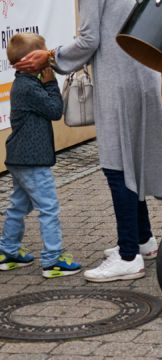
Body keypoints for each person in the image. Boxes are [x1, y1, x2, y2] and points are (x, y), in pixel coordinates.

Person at [15, 0, 162, 282]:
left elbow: (88, 39)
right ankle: (143, 240)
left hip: (123, 78)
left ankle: (129, 255)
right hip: (137, 74)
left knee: (116, 165)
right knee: (128, 161)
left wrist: (50, 57)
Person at [0, 34, 81, 278]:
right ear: (29, 61)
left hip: (20, 158)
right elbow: (56, 110)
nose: (46, 56)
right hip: (32, 160)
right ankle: (52, 259)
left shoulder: (23, 84)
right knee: (49, 208)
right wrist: (51, 82)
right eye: (42, 52)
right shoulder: (30, 87)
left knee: (18, 205)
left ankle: (8, 251)